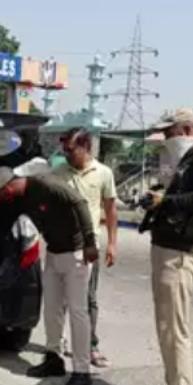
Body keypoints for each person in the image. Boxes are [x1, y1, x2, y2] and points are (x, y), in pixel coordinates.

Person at [0, 166, 99, 385]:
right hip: (55, 254)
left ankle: (82, 371)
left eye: (0, 195)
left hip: (76, 253)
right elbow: (4, 228)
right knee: (52, 310)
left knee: (78, 312)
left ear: (7, 187)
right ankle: (53, 358)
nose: (0, 200)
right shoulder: (20, 200)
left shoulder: (45, 183)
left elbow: (80, 203)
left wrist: (89, 242)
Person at [140, 108, 193, 385]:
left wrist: (165, 201)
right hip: (169, 247)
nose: (166, 139)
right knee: (166, 328)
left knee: (175, 330)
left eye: (169, 133)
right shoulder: (189, 157)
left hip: (181, 253)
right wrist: (159, 196)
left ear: (184, 130)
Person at [53, 128, 118, 368]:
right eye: (64, 151)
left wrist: (111, 243)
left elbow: (111, 209)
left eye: (71, 150)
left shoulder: (103, 173)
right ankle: (58, 343)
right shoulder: (58, 172)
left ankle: (91, 345)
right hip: (62, 246)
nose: (67, 155)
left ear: (86, 147)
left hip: (89, 248)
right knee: (61, 299)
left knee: (88, 299)